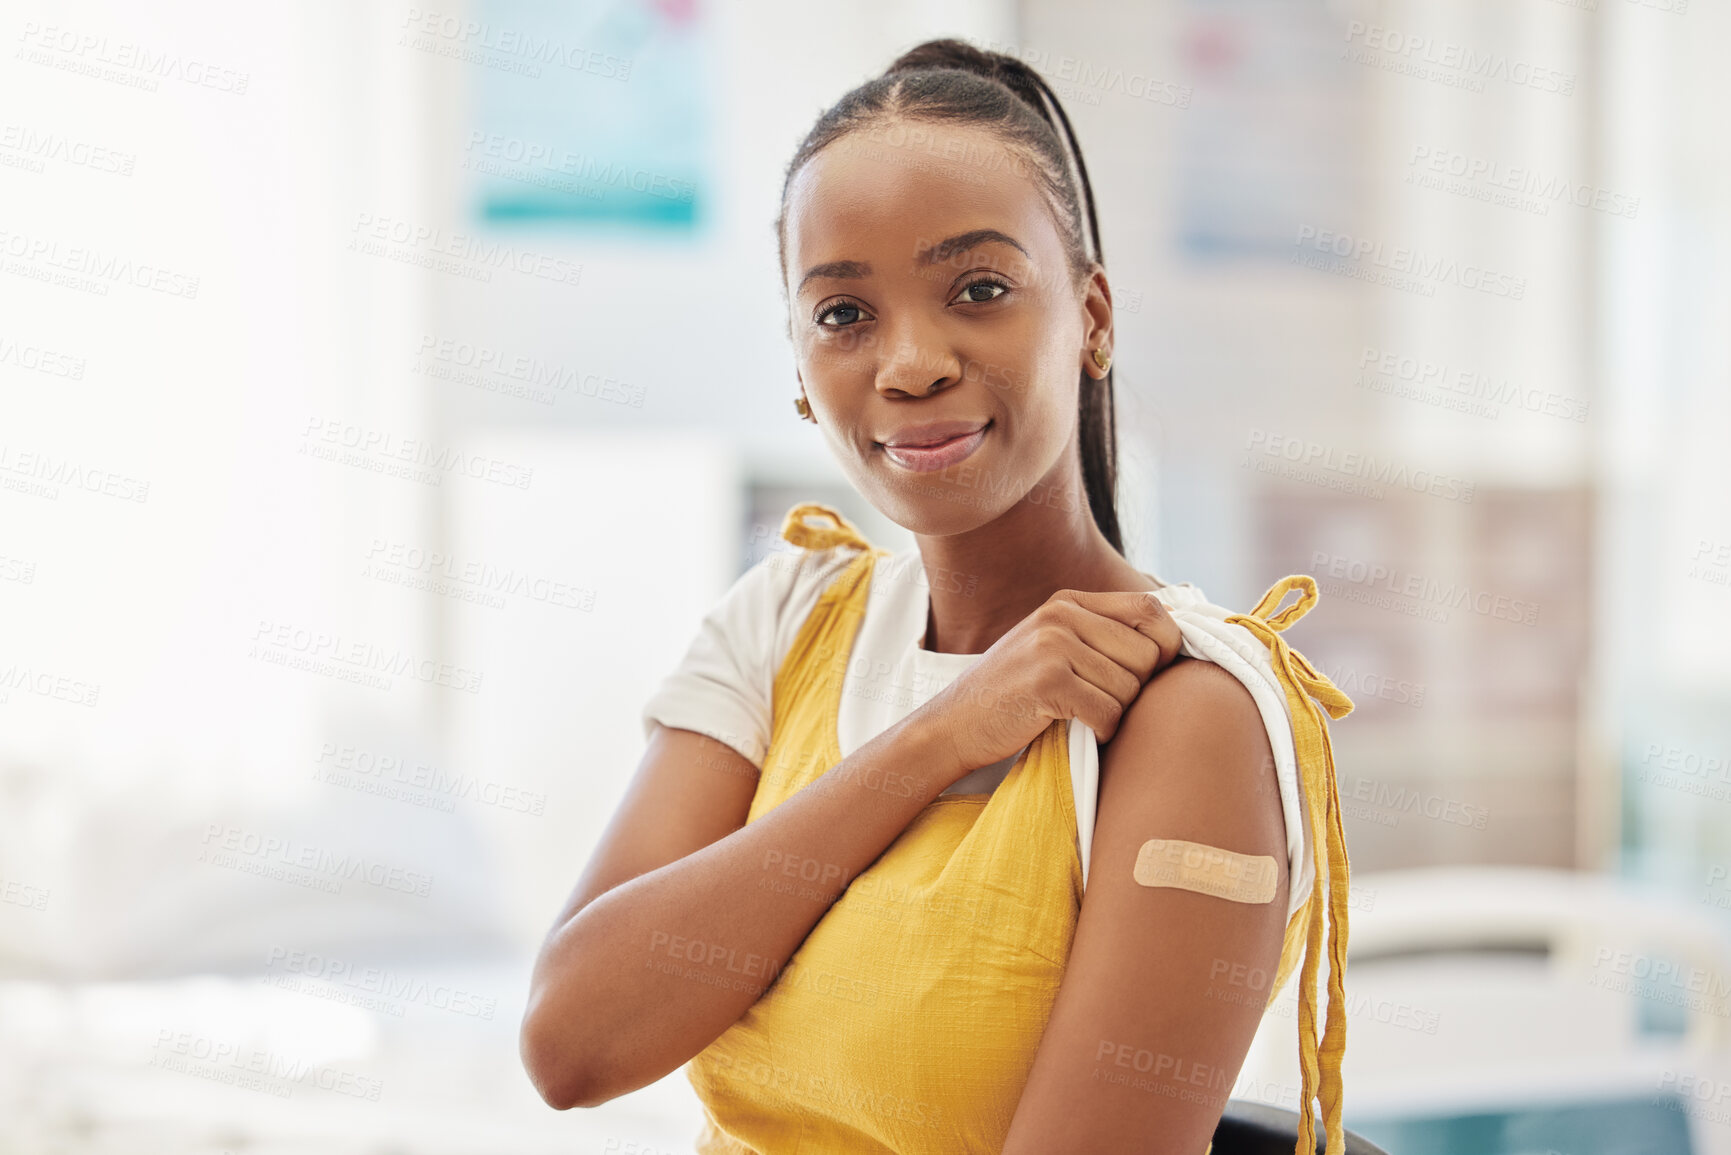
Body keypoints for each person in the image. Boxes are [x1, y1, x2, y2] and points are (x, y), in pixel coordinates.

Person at [521, 38, 1355, 1155]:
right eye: (843, 315)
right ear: (802, 368)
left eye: (979, 290)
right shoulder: (787, 621)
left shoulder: (1188, 710)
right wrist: (942, 733)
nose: (909, 363)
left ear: (1093, 319)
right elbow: (573, 1045)